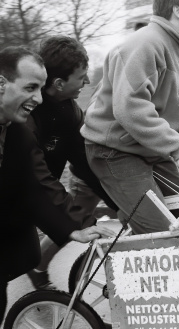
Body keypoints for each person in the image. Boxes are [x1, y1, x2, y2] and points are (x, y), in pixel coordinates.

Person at [81, 0, 179, 235]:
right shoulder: (144, 45)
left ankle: (136, 228)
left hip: (146, 148)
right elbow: (131, 108)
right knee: (164, 230)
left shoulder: (178, 50)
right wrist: (178, 150)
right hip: (115, 150)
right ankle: (135, 249)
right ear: (178, 11)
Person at [0, 46, 115, 324]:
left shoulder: (19, 134)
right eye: (30, 87)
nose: (38, 98)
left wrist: (77, 225)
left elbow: (37, 186)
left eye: (40, 88)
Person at [24, 36, 120, 290]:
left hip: (34, 189)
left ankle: (34, 270)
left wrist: (118, 201)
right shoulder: (26, 118)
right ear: (58, 83)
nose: (88, 82)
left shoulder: (69, 110)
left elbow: (86, 162)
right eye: (81, 77)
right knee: (17, 253)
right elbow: (37, 178)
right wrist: (78, 223)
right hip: (19, 189)